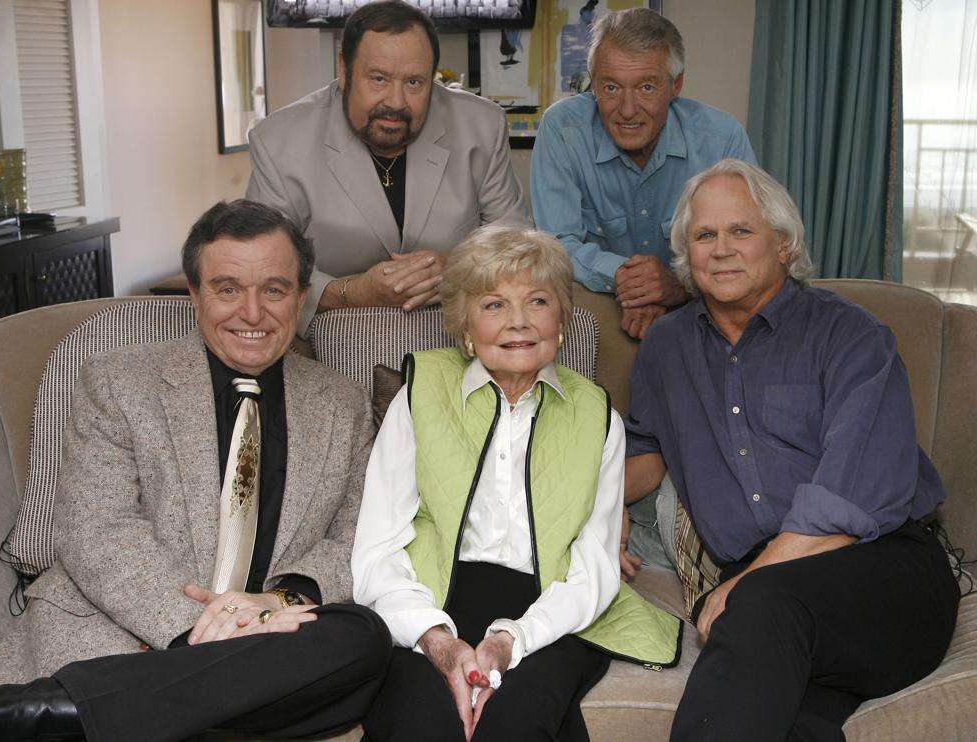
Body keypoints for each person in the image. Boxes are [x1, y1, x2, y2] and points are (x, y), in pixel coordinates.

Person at [0, 200, 391, 741]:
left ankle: (62, 714)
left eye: (273, 289)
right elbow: (96, 532)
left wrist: (274, 602)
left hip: (271, 626)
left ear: (300, 297)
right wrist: (199, 630)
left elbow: (357, 537)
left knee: (363, 639)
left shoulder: (344, 403)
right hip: (121, 621)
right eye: (226, 289)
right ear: (194, 295)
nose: (251, 313)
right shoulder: (120, 383)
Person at [622, 159, 960, 740]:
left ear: (783, 244)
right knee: (790, 722)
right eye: (705, 235)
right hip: (769, 597)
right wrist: (592, 516)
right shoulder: (667, 347)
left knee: (759, 609)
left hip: (883, 572)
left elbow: (853, 497)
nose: (722, 249)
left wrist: (744, 584)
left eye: (741, 231)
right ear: (686, 256)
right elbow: (644, 455)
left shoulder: (852, 336)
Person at [352, 226, 681, 741]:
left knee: (517, 725)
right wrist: (435, 638)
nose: (519, 322)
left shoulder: (597, 416)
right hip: (432, 596)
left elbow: (594, 566)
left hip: (550, 610)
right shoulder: (417, 398)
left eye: (537, 300)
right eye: (494, 305)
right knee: (420, 724)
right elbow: (377, 547)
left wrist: (514, 638)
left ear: (563, 320)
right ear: (465, 327)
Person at [247, 0, 530, 337]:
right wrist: (351, 293)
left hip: (460, 330)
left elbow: (517, 243)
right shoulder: (279, 140)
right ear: (343, 68)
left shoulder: (482, 125)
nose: (396, 102)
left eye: (414, 83)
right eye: (379, 79)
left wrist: (458, 270)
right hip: (333, 331)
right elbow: (261, 262)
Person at [531, 7, 757, 341]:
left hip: (702, 310)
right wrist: (625, 278)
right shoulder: (562, 128)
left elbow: (748, 246)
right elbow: (554, 245)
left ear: (675, 84)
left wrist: (679, 284)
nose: (627, 109)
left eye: (646, 88)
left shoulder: (721, 137)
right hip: (596, 313)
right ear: (593, 83)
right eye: (610, 88)